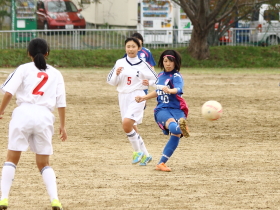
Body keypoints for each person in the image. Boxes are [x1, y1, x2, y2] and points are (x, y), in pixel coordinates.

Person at [0, 38, 66, 210]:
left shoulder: (23, 69)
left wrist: (0, 111)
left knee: (11, 160)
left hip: (23, 114)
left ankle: (3, 198)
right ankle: (55, 199)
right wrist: (63, 125)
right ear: (47, 53)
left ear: (28, 53)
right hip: (44, 116)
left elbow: (8, 93)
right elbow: (61, 102)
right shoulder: (56, 73)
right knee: (44, 163)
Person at [135, 49, 190, 172]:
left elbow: (179, 88)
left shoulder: (176, 76)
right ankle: (182, 128)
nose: (168, 64)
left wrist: (170, 90)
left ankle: (161, 163)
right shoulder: (159, 76)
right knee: (173, 127)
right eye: (165, 61)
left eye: (171, 61)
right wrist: (144, 97)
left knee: (175, 134)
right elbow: (157, 91)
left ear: (175, 63)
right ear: (162, 62)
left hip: (177, 109)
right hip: (162, 109)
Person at [107, 37, 157, 166]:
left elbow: (156, 80)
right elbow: (111, 82)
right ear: (125, 48)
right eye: (128, 46)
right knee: (133, 126)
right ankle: (146, 155)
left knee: (126, 124)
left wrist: (149, 82)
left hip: (138, 96)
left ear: (139, 48)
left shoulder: (143, 64)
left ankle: (137, 152)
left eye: (133, 46)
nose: (130, 49)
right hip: (123, 96)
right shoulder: (120, 62)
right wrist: (116, 74)